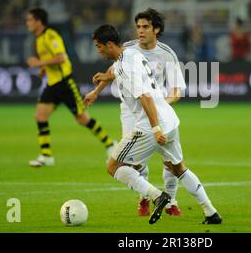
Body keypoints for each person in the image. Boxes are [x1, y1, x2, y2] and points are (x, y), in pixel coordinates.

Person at [86, 24, 222, 225]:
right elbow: (119, 71)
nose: (98, 51)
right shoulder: (131, 53)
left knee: (114, 166)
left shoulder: (124, 66)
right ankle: (211, 212)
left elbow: (145, 97)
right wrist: (105, 80)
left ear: (109, 44)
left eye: (99, 46)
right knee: (179, 169)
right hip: (170, 119)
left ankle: (157, 196)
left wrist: (155, 128)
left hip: (151, 125)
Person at [84, 8, 186, 217]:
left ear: (156, 29)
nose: (140, 31)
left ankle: (171, 201)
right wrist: (96, 91)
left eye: (145, 26)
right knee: (133, 160)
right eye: (138, 26)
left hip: (157, 109)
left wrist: (161, 105)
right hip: (132, 111)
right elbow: (113, 72)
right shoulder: (128, 49)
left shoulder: (167, 54)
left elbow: (177, 89)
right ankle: (145, 197)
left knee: (169, 160)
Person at [25, 8, 116, 167]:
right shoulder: (38, 38)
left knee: (82, 118)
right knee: (40, 116)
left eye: (30, 20)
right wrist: (44, 69)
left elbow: (61, 57)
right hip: (52, 84)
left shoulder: (50, 35)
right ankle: (46, 156)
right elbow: (51, 59)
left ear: (39, 21)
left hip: (64, 83)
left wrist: (39, 63)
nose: (28, 23)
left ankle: (110, 144)